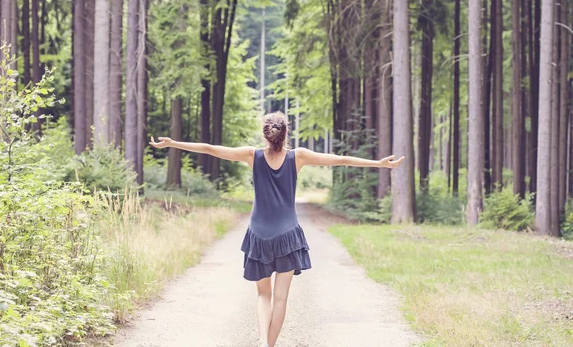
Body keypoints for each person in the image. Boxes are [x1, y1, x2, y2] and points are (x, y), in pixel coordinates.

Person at [149, 110, 404, 347]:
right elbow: (342, 160)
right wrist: (381, 164)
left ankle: (263, 343)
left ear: (266, 133)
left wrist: (173, 144)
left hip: (258, 235)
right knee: (281, 299)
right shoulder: (298, 157)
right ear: (286, 133)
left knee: (263, 296)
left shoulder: (252, 155)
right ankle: (267, 345)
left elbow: (209, 149)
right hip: (288, 236)